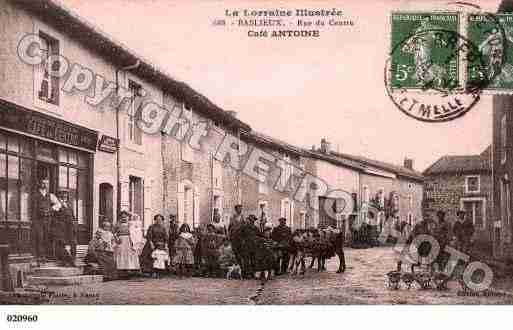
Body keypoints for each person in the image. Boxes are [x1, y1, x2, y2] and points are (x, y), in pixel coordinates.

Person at [32, 178, 60, 264]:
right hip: (38, 220)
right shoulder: (35, 195)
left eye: (46, 183)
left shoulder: (50, 195)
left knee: (46, 237)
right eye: (43, 183)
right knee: (39, 237)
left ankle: (44, 256)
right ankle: (39, 256)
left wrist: (51, 209)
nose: (45, 185)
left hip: (47, 220)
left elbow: (58, 204)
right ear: (40, 184)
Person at [52, 189, 77, 267]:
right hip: (61, 228)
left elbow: (73, 216)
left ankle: (72, 260)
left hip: (70, 228)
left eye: (66, 194)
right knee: (62, 244)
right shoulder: (57, 205)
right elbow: (54, 217)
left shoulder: (69, 205)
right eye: (63, 194)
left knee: (72, 243)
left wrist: (74, 224)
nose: (65, 196)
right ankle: (64, 261)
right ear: (59, 195)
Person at [113, 211, 140, 275]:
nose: (124, 218)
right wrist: (116, 238)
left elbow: (136, 232)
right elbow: (113, 233)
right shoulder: (117, 225)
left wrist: (134, 241)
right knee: (121, 253)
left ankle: (129, 270)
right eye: (122, 217)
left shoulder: (131, 224)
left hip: (129, 240)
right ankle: (121, 270)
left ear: (128, 218)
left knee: (129, 254)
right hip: (121, 240)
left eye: (125, 217)